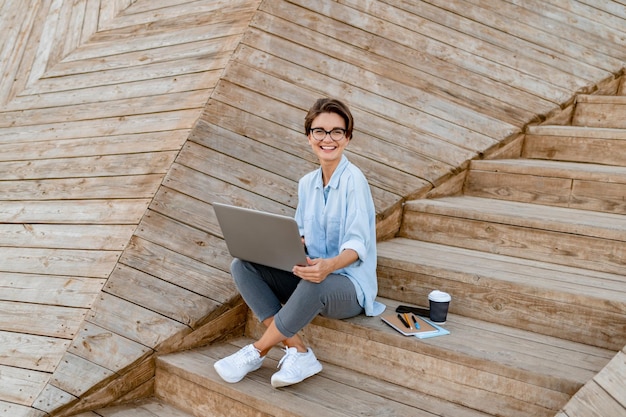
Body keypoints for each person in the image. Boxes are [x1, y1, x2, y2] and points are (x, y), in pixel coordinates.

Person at [213, 98, 385, 388]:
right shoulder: (307, 183)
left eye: (336, 132)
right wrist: (281, 248)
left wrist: (328, 266)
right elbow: (301, 234)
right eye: (319, 131)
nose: (327, 139)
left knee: (316, 282)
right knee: (243, 267)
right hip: (311, 275)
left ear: (348, 138)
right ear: (309, 137)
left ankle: (258, 350)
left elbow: (358, 245)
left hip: (347, 286)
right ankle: (299, 351)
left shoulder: (355, 181)